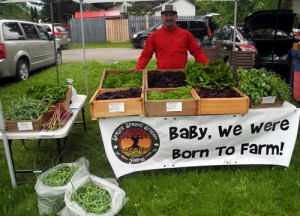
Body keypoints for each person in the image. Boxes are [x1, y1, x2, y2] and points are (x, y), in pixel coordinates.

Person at [135, 4, 209, 70]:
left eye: (171, 15)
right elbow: (145, 55)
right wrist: (138, 69)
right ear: (161, 17)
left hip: (181, 75)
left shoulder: (186, 35)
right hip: (162, 75)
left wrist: (208, 66)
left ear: (176, 16)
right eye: (166, 15)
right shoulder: (154, 36)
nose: (169, 18)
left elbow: (197, 52)